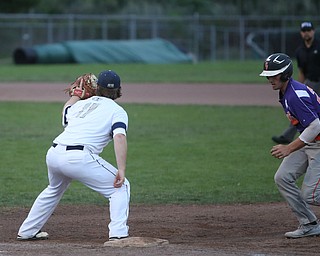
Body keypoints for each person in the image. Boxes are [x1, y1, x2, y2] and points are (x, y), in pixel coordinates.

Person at [16, 70, 130, 242]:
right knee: (120, 187)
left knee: (53, 189)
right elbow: (119, 136)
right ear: (119, 90)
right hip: (79, 158)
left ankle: (27, 231)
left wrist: (76, 95)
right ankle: (118, 234)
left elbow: (66, 113)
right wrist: (121, 169)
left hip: (54, 153)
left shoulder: (80, 104)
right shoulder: (117, 111)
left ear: (96, 88)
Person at [260, 52, 320, 238]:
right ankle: (309, 224)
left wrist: (289, 147)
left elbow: (316, 125)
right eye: (269, 75)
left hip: (317, 141)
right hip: (310, 141)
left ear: (285, 74)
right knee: (283, 177)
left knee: (311, 195)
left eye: (275, 74)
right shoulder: (286, 91)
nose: (270, 79)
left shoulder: (295, 95)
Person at [272, 21, 320, 144]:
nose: (306, 33)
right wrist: (299, 86)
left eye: (309, 30)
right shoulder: (300, 51)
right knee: (299, 109)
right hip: (310, 82)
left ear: (313, 31)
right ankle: (288, 136)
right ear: (301, 33)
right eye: (304, 31)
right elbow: (301, 71)